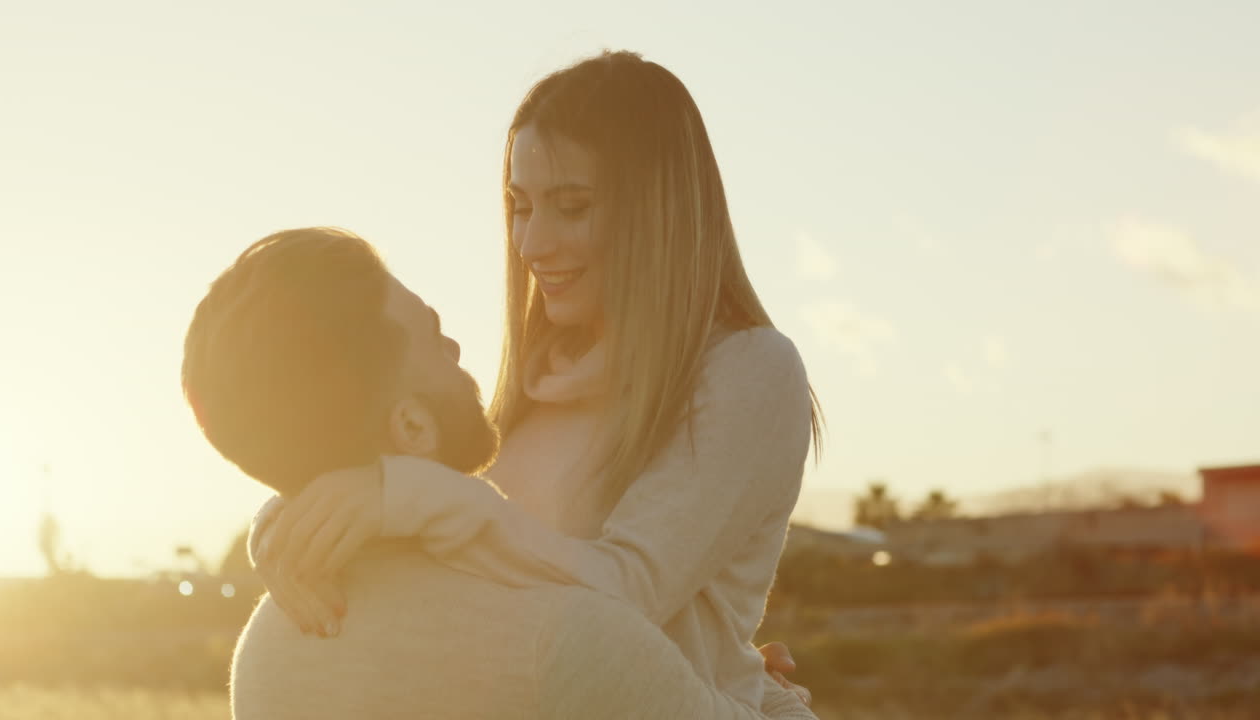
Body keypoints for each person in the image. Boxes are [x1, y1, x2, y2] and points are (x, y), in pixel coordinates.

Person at [254, 50, 822, 715]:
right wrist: (292, 524)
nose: (531, 243)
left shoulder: (749, 368)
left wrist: (413, 497)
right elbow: (435, 527)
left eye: (572, 207)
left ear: (661, 210)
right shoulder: (531, 385)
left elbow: (625, 598)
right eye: (520, 207)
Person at [184, 227, 812, 719]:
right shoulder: (564, 639)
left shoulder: (267, 652)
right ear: (411, 428)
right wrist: (764, 692)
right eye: (434, 337)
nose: (458, 349)